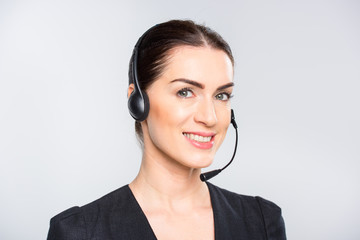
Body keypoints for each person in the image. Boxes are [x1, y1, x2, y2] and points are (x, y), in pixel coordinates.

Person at [47, 19, 286, 240]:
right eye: (185, 92)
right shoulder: (79, 232)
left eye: (221, 95)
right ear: (137, 101)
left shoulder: (263, 222)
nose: (210, 117)